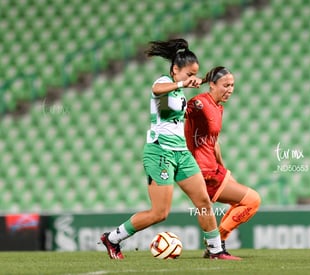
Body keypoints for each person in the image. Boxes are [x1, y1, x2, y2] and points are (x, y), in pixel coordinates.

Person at [100, 39, 240, 260]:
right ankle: (113, 238)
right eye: (188, 73)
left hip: (181, 153)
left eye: (194, 73)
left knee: (203, 201)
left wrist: (204, 81)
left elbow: (171, 112)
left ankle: (215, 250)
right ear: (175, 69)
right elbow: (156, 90)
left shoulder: (178, 92)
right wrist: (183, 84)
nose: (190, 77)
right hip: (160, 153)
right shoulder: (165, 83)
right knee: (159, 213)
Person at [185, 66, 261, 257]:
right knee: (253, 201)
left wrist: (224, 169)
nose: (230, 89)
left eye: (232, 85)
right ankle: (216, 244)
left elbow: (213, 142)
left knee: (242, 203)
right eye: (225, 85)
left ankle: (215, 245)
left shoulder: (218, 107)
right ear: (212, 84)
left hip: (214, 168)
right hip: (203, 171)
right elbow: (179, 111)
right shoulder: (199, 104)